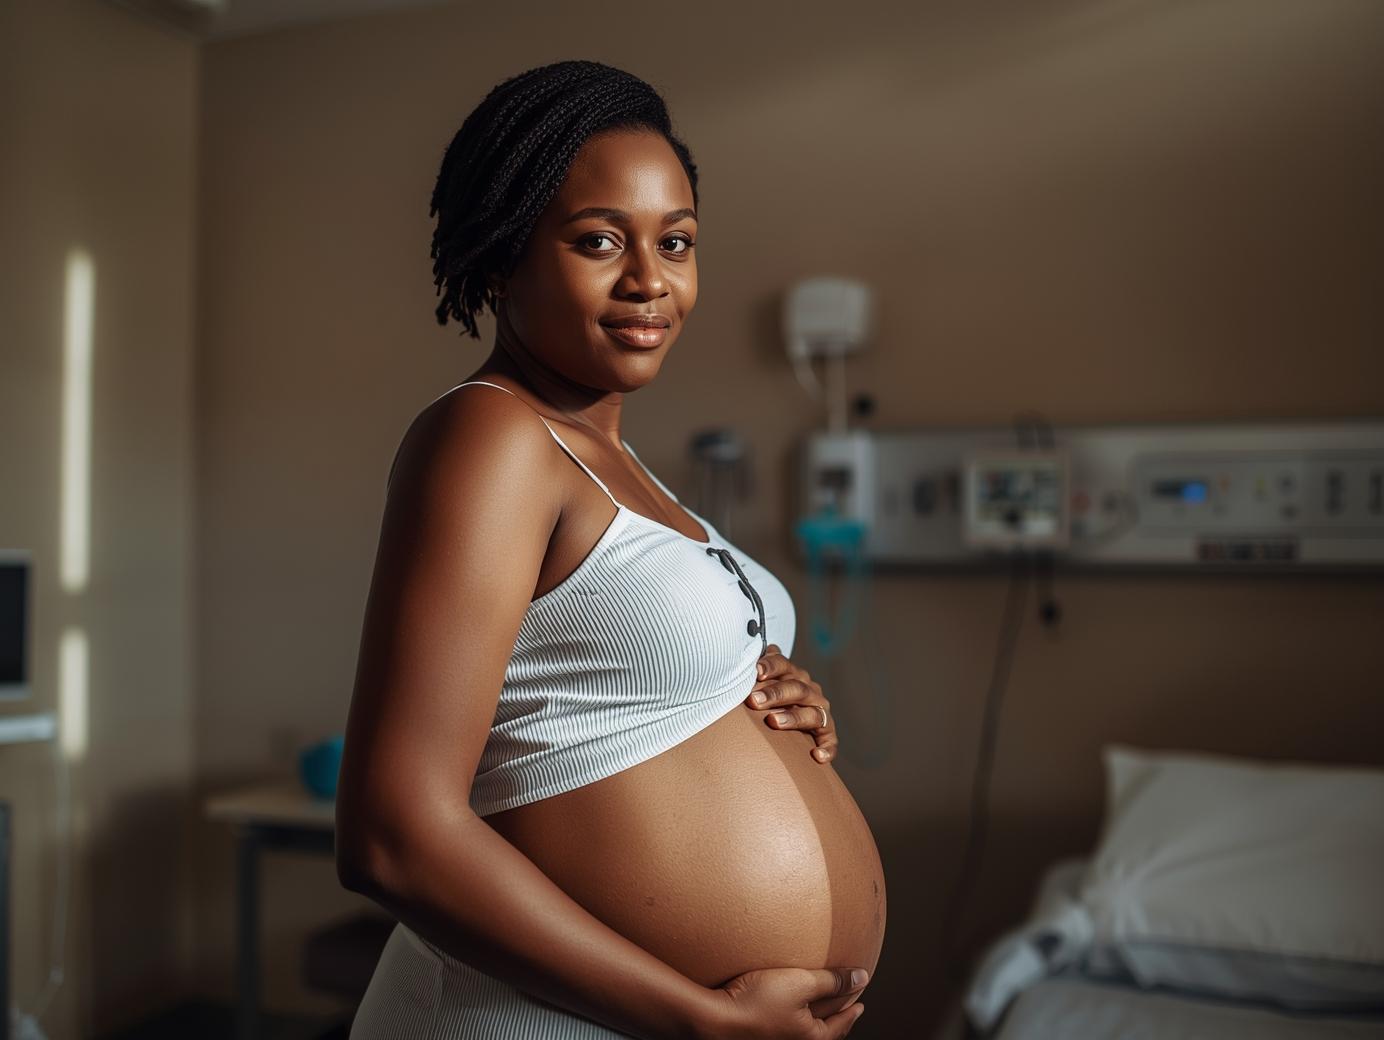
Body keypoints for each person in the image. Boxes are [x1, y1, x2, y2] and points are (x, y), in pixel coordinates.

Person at [337, 61, 886, 1039]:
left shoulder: (618, 465)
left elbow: (602, 685)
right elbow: (392, 833)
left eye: (674, 241)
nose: (649, 279)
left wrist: (756, 690)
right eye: (598, 240)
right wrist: (699, 1018)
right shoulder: (491, 437)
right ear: (502, 258)